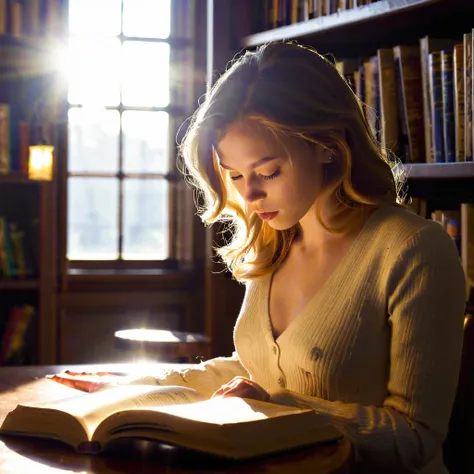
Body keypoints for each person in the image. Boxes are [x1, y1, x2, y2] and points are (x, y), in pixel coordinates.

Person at [60, 42, 466, 473]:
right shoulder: (274, 241)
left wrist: (277, 410)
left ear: (327, 145)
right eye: (234, 175)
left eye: (268, 172)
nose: (249, 195)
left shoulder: (414, 249)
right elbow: (260, 371)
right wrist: (137, 385)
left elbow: (416, 436)